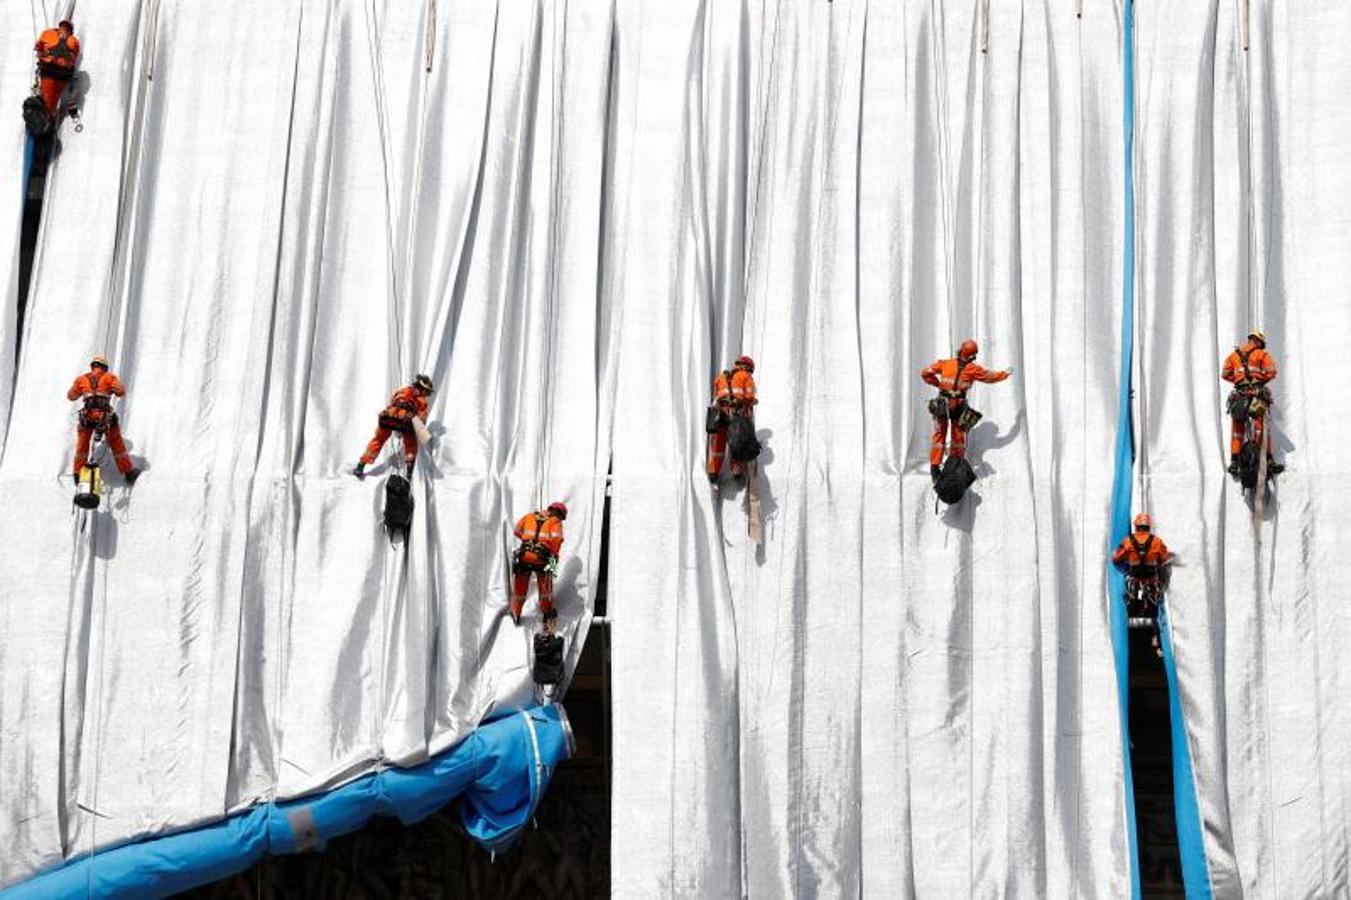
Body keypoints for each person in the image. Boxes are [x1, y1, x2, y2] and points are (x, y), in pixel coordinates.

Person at [920, 339, 1010, 480]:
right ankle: (955, 466)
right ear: (972, 356)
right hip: (958, 406)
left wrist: (938, 385)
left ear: (960, 350)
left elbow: (925, 373)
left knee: (939, 436)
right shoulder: (973, 369)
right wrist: (1005, 374)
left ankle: (934, 468)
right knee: (958, 438)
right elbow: (990, 377)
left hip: (942, 405)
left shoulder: (945, 364)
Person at [67, 355, 141, 484]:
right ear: (104, 367)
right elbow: (121, 391)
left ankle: (78, 474)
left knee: (82, 445)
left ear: (92, 366)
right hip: (104, 417)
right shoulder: (109, 377)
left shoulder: (81, 379)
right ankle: (129, 472)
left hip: (87, 416)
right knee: (116, 441)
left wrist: (84, 391)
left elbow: (71, 396)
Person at [1221, 329, 1283, 476]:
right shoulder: (1261, 354)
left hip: (1240, 396)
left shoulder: (1233, 356)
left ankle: (1235, 462)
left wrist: (1238, 380)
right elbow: (1272, 372)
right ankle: (1268, 461)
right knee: (1262, 428)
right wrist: (1259, 380)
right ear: (1258, 341)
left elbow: (1224, 374)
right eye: (1261, 344)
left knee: (1237, 429)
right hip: (1257, 396)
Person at [354, 374, 433, 479]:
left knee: (378, 440)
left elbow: (393, 402)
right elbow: (422, 419)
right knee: (411, 444)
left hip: (388, 417)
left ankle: (360, 466)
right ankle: (409, 472)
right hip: (406, 421)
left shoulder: (402, 390)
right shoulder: (422, 401)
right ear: (424, 389)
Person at [511, 501, 567, 629]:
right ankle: (547, 612)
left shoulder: (529, 516)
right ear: (559, 513)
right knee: (546, 586)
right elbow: (556, 541)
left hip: (524, 556)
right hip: (542, 559)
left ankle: (516, 613)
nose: (561, 521)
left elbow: (517, 531)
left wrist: (529, 542)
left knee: (520, 587)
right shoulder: (555, 522)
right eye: (562, 517)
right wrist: (553, 560)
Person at [706, 355, 757, 482]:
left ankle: (713, 473)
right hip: (737, 416)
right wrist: (752, 401)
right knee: (737, 441)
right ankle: (736, 472)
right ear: (747, 367)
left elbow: (717, 397)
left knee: (718, 444)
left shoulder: (720, 377)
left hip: (721, 415)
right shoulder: (746, 376)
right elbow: (749, 397)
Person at [34, 19, 80, 117]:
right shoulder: (73, 40)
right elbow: (73, 57)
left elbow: (38, 46)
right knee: (54, 97)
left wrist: (41, 53)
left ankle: (46, 121)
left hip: (49, 70)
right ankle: (49, 118)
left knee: (47, 97)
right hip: (62, 74)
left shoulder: (48, 33)